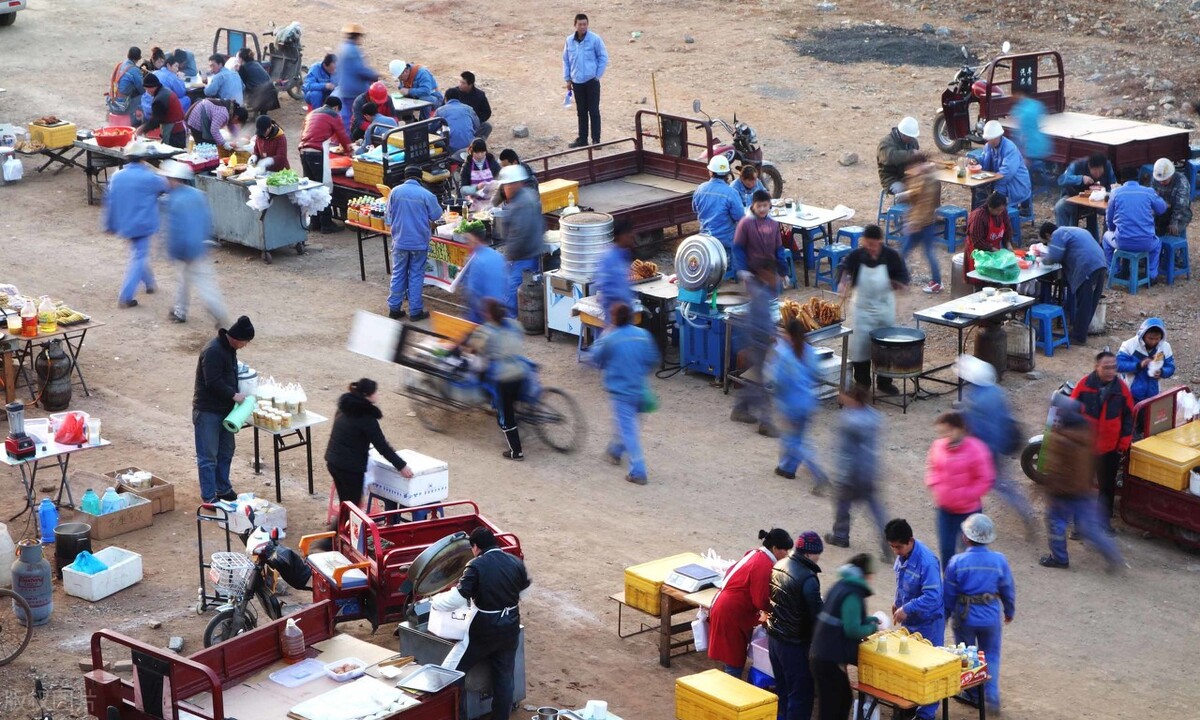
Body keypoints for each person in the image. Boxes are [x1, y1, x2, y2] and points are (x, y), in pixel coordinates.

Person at [430, 527, 530, 720]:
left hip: (484, 629)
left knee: (451, 671)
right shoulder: (514, 561)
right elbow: (523, 590)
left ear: (475, 547)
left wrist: (435, 601)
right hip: (510, 625)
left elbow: (457, 599)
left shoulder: (475, 565)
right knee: (504, 677)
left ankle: (455, 714)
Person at [1038, 395, 1125, 571]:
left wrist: (1048, 490)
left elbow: (1053, 468)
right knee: (1091, 528)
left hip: (1062, 492)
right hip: (1084, 489)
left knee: (1056, 523)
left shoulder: (1059, 439)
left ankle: (1059, 559)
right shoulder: (1087, 433)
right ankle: (1112, 554)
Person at [956, 355, 1036, 538]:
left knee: (982, 486)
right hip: (999, 445)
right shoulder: (996, 391)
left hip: (983, 450)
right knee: (1003, 484)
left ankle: (972, 527)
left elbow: (974, 429)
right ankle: (1025, 511)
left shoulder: (975, 399)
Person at [943, 514, 1015, 714]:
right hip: (990, 615)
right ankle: (991, 695)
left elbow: (949, 593)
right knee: (991, 654)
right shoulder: (999, 560)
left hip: (965, 616)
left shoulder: (957, 562)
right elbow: (1007, 588)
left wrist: (945, 615)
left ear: (966, 538)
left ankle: (974, 694)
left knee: (968, 654)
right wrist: (1009, 611)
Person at [588, 303, 660, 484]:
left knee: (628, 430)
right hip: (640, 388)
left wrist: (603, 336)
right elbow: (653, 359)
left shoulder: (611, 338)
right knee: (627, 425)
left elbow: (595, 357)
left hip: (621, 391)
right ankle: (615, 451)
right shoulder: (643, 335)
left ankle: (638, 471)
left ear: (614, 319)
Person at [708, 529, 794, 677]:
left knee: (732, 653)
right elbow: (760, 600)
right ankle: (731, 691)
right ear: (774, 549)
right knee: (733, 658)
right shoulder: (763, 565)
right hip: (732, 611)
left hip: (727, 606)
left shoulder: (755, 554)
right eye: (785, 550)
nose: (787, 554)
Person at [837, 224, 910, 394]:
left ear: (880, 241)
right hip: (862, 309)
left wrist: (900, 284)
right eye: (867, 244)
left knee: (885, 347)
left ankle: (884, 382)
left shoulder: (891, 256)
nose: (870, 248)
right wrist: (842, 281)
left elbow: (903, 276)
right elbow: (844, 267)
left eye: (873, 244)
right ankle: (862, 383)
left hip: (884, 308)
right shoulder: (857, 255)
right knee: (860, 347)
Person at [809, 553, 880, 720]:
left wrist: (869, 620)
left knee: (843, 700)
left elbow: (840, 618)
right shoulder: (853, 594)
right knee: (832, 708)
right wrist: (871, 628)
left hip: (821, 653)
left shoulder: (841, 585)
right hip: (828, 658)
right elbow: (852, 630)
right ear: (865, 574)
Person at [1070, 351, 1135, 534]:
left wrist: (1123, 443)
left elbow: (1129, 417)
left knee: (1107, 488)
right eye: (1106, 367)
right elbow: (1070, 413)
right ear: (1096, 367)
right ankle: (1079, 526)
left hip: (1110, 449)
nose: (1110, 371)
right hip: (1085, 448)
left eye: (1113, 367)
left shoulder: (1122, 390)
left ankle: (1103, 523)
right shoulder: (1083, 386)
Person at [192, 316, 255, 503]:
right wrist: (234, 395)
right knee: (208, 456)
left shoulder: (229, 349)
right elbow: (212, 382)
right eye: (245, 341)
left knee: (226, 451)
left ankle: (223, 488)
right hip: (208, 411)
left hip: (225, 411)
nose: (245, 345)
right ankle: (209, 496)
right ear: (237, 338)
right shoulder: (213, 351)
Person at [158, 161, 229, 326]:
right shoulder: (196, 194)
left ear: (174, 179)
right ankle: (179, 311)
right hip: (200, 246)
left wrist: (178, 252)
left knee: (203, 285)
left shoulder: (175, 201)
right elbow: (206, 220)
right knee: (185, 280)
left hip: (188, 250)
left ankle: (220, 315)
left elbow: (178, 230)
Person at [886, 518, 943, 720]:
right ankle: (908, 706)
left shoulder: (927, 562)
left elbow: (933, 596)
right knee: (909, 667)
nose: (896, 551)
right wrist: (897, 602)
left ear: (910, 541)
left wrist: (907, 608)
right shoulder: (903, 556)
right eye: (892, 547)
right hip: (910, 621)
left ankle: (926, 715)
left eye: (899, 547)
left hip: (929, 623)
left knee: (928, 669)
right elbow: (901, 581)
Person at [824, 385, 890, 558]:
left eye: (844, 396)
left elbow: (844, 451)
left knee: (842, 504)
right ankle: (888, 540)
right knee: (874, 507)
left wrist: (840, 474)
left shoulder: (847, 420)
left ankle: (840, 535)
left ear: (852, 399)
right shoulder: (874, 416)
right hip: (868, 470)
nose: (841, 398)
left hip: (851, 472)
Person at [325, 378, 412, 509]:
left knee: (346, 504)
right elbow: (382, 447)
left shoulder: (344, 408)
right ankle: (339, 529)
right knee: (352, 508)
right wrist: (402, 466)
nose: (378, 394)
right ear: (367, 395)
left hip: (333, 461)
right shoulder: (367, 419)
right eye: (375, 392)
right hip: (350, 467)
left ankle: (341, 528)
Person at [925, 411, 994, 573]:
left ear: (960, 429)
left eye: (948, 431)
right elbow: (932, 468)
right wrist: (934, 484)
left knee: (971, 553)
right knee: (946, 549)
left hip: (968, 512)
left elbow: (985, 479)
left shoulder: (977, 449)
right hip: (945, 510)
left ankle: (969, 585)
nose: (945, 436)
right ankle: (950, 584)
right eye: (942, 432)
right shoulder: (938, 446)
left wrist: (966, 495)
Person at [766, 531, 824, 720]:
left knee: (783, 690)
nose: (818, 559)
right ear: (808, 553)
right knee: (800, 696)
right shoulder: (808, 578)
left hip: (774, 639)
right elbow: (817, 616)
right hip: (794, 645)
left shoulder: (779, 565)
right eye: (817, 554)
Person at [103, 142, 168, 308]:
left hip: (125, 222)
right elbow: (167, 186)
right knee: (139, 256)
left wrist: (109, 224)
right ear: (144, 158)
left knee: (139, 253)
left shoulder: (117, 176)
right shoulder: (149, 177)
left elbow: (110, 202)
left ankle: (150, 284)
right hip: (144, 223)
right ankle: (125, 296)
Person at [467, 299, 529, 460]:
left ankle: (516, 451)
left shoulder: (486, 331)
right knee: (514, 402)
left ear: (487, 314)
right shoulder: (514, 324)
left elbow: (473, 349)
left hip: (504, 378)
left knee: (505, 415)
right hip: (522, 371)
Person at [769, 319, 828, 486]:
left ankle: (817, 472)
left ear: (789, 335)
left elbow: (779, 382)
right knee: (797, 437)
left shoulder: (785, 356)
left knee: (793, 440)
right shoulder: (809, 351)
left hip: (792, 404)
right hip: (809, 402)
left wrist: (779, 403)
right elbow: (817, 374)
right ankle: (787, 468)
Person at [1035, 222, 1107, 344]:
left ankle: (1078, 336)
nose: (1049, 245)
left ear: (1048, 235)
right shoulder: (1073, 230)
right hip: (1101, 263)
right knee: (1091, 301)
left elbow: (1055, 257)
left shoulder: (1058, 234)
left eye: (1047, 243)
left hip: (1086, 267)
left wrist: (1041, 261)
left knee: (1084, 302)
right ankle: (1082, 331)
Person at [731, 259, 780, 437]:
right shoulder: (761, 294)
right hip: (759, 342)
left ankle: (740, 408)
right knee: (761, 382)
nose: (777, 279)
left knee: (757, 380)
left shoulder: (762, 291)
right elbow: (758, 323)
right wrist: (769, 337)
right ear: (766, 274)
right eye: (774, 275)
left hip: (756, 341)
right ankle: (766, 423)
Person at [387, 165, 443, 321]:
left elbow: (388, 218)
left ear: (405, 177)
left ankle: (394, 308)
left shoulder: (395, 192)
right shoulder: (426, 194)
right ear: (420, 178)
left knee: (398, 273)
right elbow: (437, 215)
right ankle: (415, 311)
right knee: (416, 275)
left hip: (399, 242)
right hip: (419, 243)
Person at [496, 164, 545, 316]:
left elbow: (520, 234)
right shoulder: (527, 196)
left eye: (506, 185)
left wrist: (510, 255)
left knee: (513, 292)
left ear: (516, 184)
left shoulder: (522, 204)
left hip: (524, 255)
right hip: (528, 253)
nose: (505, 189)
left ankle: (510, 322)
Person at [299, 97, 354, 233]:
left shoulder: (312, 113)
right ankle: (326, 223)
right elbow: (342, 135)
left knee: (312, 187)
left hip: (303, 152)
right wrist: (350, 151)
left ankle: (314, 221)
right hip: (316, 153)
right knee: (323, 187)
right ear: (336, 108)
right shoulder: (334, 115)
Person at [895, 154, 944, 293]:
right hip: (922, 221)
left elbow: (925, 205)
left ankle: (934, 282)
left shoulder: (928, 180)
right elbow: (917, 196)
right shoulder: (923, 177)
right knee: (917, 252)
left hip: (922, 223)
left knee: (915, 252)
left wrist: (914, 222)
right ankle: (905, 279)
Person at [1105, 176, 1168, 282]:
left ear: (1121, 181)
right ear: (1138, 179)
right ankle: (1151, 275)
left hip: (1122, 242)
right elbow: (1162, 209)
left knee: (1106, 238)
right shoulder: (1148, 192)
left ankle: (1114, 271)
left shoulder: (1115, 193)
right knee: (1157, 244)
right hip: (1145, 243)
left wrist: (1112, 229)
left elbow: (1109, 219)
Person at [693, 156, 745, 279]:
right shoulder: (731, 192)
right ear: (727, 174)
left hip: (705, 236)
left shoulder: (700, 189)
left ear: (711, 172)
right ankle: (733, 273)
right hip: (725, 238)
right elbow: (739, 217)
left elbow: (695, 209)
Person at [563, 13, 609, 148]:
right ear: (575, 25)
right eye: (580, 24)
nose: (583, 27)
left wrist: (597, 76)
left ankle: (596, 140)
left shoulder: (595, 39)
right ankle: (582, 139)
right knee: (581, 111)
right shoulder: (569, 41)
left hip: (591, 81)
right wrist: (568, 79)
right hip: (577, 82)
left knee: (593, 111)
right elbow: (566, 60)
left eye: (585, 24)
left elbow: (603, 57)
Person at [1117, 318, 1175, 405]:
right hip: (1130, 394)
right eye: (1150, 338)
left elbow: (1170, 366)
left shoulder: (1165, 347)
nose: (1153, 342)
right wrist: (1138, 365)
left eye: (1157, 339)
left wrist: (1162, 372)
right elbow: (1118, 365)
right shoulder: (1129, 345)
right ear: (1143, 334)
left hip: (1153, 394)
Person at [733, 190, 785, 283]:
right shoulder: (745, 223)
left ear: (769, 205)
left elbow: (779, 248)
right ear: (753, 206)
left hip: (770, 269)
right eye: (759, 206)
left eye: (765, 205)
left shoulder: (773, 224)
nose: (762, 209)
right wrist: (742, 268)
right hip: (752, 272)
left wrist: (783, 271)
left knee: (773, 296)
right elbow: (738, 247)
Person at [333, 24, 379, 130]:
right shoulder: (353, 50)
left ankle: (344, 141)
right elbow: (360, 70)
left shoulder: (342, 48)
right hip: (355, 90)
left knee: (346, 117)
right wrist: (374, 74)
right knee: (358, 116)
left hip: (343, 89)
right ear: (357, 36)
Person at [1053, 153, 1116, 229]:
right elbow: (1061, 179)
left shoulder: (1107, 166)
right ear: (1089, 166)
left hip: (1099, 200)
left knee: (1113, 209)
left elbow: (1113, 185)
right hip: (1074, 196)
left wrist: (1105, 191)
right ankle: (1063, 236)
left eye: (1100, 170)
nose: (1098, 174)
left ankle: (1106, 239)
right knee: (1060, 207)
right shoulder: (1077, 164)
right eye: (1095, 171)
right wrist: (1080, 179)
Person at [979, 120, 1032, 208]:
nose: (989, 141)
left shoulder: (1010, 148)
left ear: (998, 137)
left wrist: (994, 185)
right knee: (979, 190)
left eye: (991, 139)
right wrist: (976, 161)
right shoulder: (988, 147)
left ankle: (999, 216)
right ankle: (980, 215)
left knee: (996, 198)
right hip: (999, 180)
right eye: (988, 139)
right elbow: (984, 161)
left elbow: (1007, 173)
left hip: (1016, 183)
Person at [461, 227, 506, 324]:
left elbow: (472, 292)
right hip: (501, 311)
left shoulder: (476, 261)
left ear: (475, 240)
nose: (467, 244)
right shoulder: (497, 255)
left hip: (484, 315)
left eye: (468, 240)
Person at [963, 192, 1012, 280]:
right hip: (978, 253)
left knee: (995, 278)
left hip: (994, 250)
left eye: (1002, 210)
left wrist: (1008, 244)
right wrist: (995, 251)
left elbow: (1007, 228)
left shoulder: (1002, 211)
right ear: (990, 206)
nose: (1000, 212)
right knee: (980, 278)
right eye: (998, 210)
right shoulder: (979, 217)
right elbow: (977, 240)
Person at [594, 218, 636, 318]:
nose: (632, 236)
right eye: (628, 234)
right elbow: (603, 286)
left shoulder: (625, 255)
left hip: (625, 314)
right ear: (620, 236)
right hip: (614, 316)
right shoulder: (609, 258)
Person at [136, 75, 187, 148]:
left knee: (170, 154)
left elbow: (156, 121)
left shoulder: (159, 100)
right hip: (180, 131)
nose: (147, 92)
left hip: (172, 133)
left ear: (152, 87)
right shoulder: (165, 91)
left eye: (147, 89)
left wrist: (142, 129)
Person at [1149, 158, 1192, 238]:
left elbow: (1181, 205)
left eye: (1164, 180)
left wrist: (1174, 222)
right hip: (1162, 210)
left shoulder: (1181, 181)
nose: (1161, 182)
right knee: (1150, 229)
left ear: (1171, 175)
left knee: (1171, 232)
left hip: (1179, 213)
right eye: (1159, 180)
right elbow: (1152, 197)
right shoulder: (1155, 179)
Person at [876, 116, 920, 194]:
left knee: (926, 184)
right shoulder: (886, 143)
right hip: (891, 178)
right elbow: (890, 157)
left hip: (907, 175)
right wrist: (911, 154)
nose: (912, 139)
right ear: (903, 134)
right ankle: (903, 206)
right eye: (910, 137)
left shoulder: (912, 142)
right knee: (903, 191)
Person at [141, 52, 191, 120]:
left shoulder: (155, 72)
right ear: (168, 65)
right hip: (160, 111)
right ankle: (179, 121)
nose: (177, 69)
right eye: (176, 66)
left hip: (147, 108)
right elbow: (181, 93)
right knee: (187, 99)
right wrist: (180, 79)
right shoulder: (171, 77)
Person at [444, 71, 493, 139]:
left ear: (470, 85)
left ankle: (476, 143)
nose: (460, 85)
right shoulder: (454, 92)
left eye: (463, 83)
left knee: (487, 126)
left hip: (472, 123)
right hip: (456, 122)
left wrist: (477, 121)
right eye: (460, 82)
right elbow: (444, 107)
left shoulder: (480, 95)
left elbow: (487, 112)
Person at [1010, 86, 1049, 170]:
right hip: (1041, 144)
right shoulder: (1037, 104)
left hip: (1029, 148)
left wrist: (1024, 153)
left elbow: (1023, 133)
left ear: (1019, 94)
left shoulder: (1020, 109)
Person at [107, 47, 145, 123]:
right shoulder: (134, 71)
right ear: (138, 58)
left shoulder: (120, 65)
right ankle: (138, 121)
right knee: (146, 96)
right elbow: (142, 89)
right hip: (122, 106)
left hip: (112, 101)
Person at [237, 47, 279, 112]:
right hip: (271, 92)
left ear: (241, 59)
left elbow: (242, 84)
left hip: (260, 94)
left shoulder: (243, 68)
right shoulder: (256, 63)